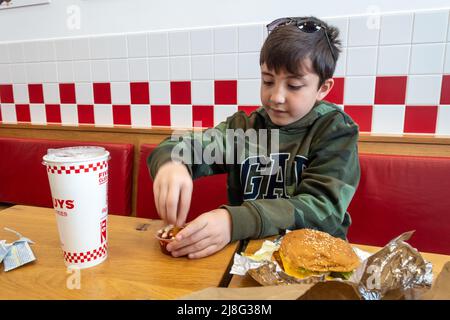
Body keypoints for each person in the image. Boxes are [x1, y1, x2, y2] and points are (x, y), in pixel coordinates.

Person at [147, 16, 360, 259]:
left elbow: (322, 209)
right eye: (268, 81)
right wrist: (172, 163)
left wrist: (233, 220)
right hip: (251, 257)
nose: (276, 96)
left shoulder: (335, 131)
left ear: (323, 88)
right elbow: (183, 146)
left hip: (318, 260)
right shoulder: (246, 129)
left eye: (294, 86)